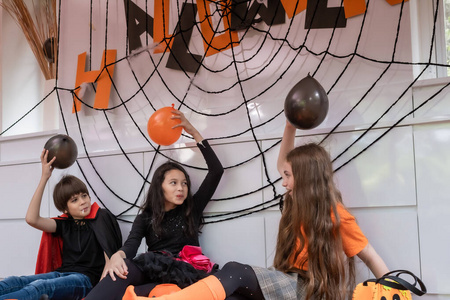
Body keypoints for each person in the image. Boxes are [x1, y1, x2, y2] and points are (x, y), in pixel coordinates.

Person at [122, 120, 389, 300]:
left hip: (308, 290)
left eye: (288, 176)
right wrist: (289, 126)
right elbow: (286, 161)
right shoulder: (298, 201)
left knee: (235, 271)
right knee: (235, 290)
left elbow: (371, 257)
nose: (282, 181)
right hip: (290, 279)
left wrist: (394, 286)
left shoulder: (336, 215)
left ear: (306, 178)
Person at [84, 109, 224, 300]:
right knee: (124, 268)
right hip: (155, 267)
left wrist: (194, 132)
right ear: (160, 187)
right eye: (173, 183)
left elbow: (216, 171)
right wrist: (118, 256)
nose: (181, 188)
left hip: (188, 271)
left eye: (184, 183)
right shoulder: (146, 218)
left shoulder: (192, 208)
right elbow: (131, 245)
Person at [0, 150, 122, 300]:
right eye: (74, 200)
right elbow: (32, 219)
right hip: (62, 274)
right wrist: (44, 177)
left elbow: (109, 254)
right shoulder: (64, 224)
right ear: (65, 209)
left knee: (40, 287)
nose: (83, 201)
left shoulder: (100, 217)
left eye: (84, 196)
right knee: (14, 281)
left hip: (85, 280)